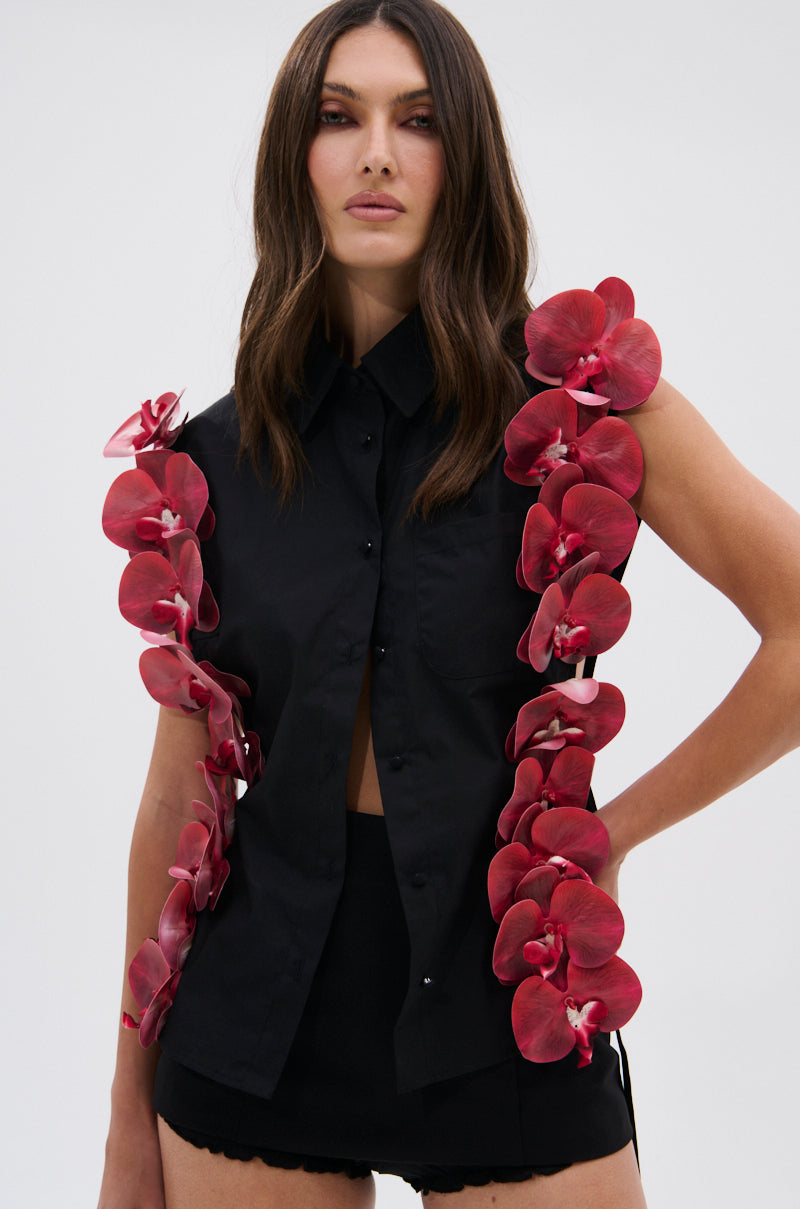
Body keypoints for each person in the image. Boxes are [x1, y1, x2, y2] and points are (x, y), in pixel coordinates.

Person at [97, 1, 800, 1206]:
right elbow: (179, 795)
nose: (376, 151)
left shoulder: (587, 414)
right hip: (253, 1029)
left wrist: (615, 830)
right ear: (294, 161)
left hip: (504, 1014)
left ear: (462, 159)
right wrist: (124, 1124)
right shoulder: (211, 463)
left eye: (416, 121)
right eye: (338, 116)